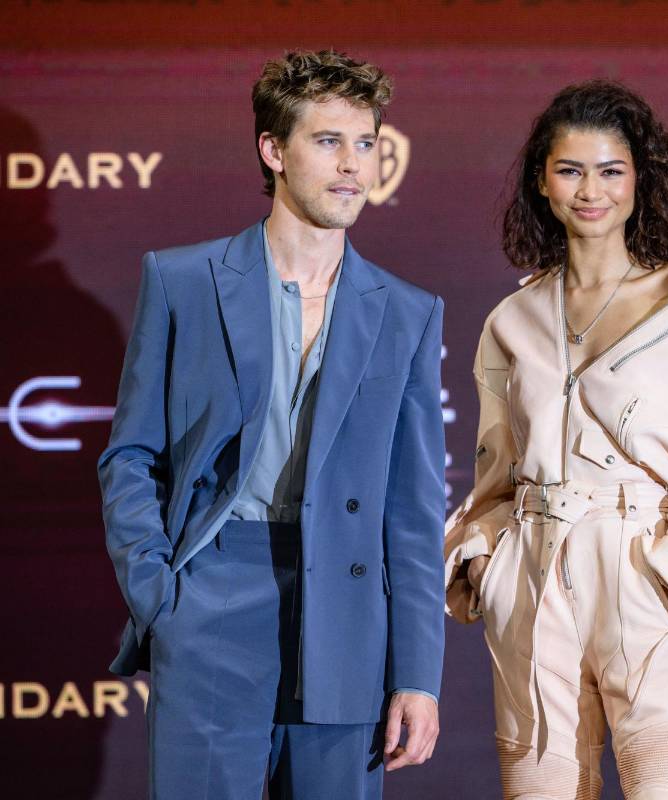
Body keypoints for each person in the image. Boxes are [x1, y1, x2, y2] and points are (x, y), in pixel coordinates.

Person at [443, 80, 668, 800]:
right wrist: (487, 561)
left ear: (640, 182)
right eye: (570, 170)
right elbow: (494, 474)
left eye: (611, 171)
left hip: (643, 579)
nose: (591, 191)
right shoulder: (511, 320)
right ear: (541, 183)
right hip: (532, 588)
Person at [98, 50, 445, 799]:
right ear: (273, 150)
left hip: (350, 622)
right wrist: (163, 598)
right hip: (215, 603)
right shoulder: (184, 281)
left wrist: (418, 673)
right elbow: (130, 455)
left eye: (365, 143)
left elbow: (415, 513)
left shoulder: (408, 313)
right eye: (328, 141)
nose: (353, 165)